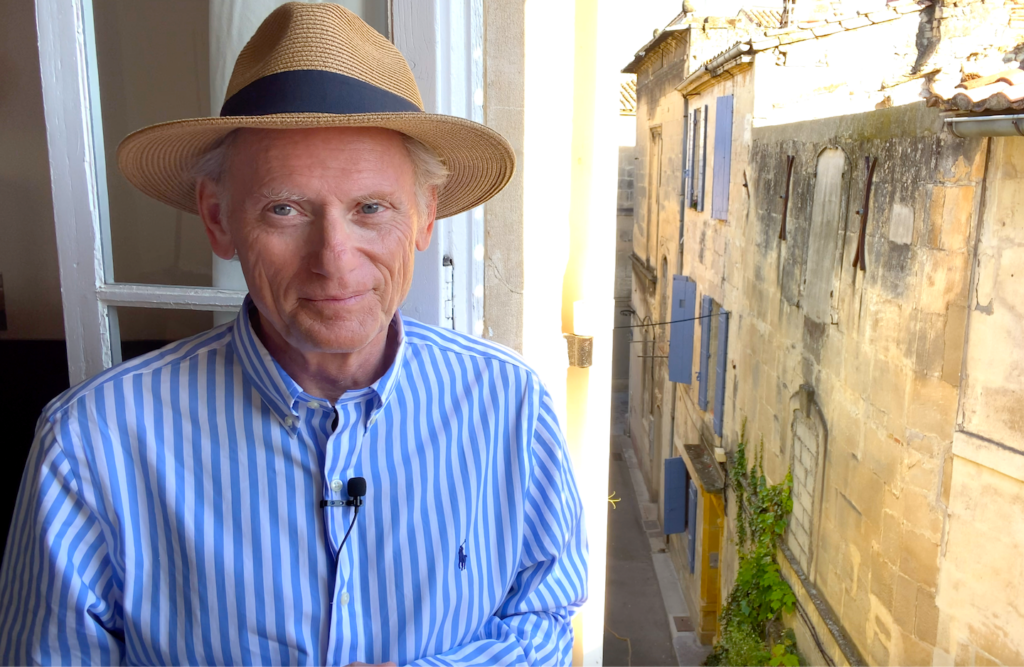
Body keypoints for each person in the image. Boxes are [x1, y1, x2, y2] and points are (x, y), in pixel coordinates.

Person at [0, 3, 587, 665]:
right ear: (218, 219)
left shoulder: (509, 404)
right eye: (285, 208)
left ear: (425, 215)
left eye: (371, 207)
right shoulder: (90, 444)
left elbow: (543, 613)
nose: (333, 257)